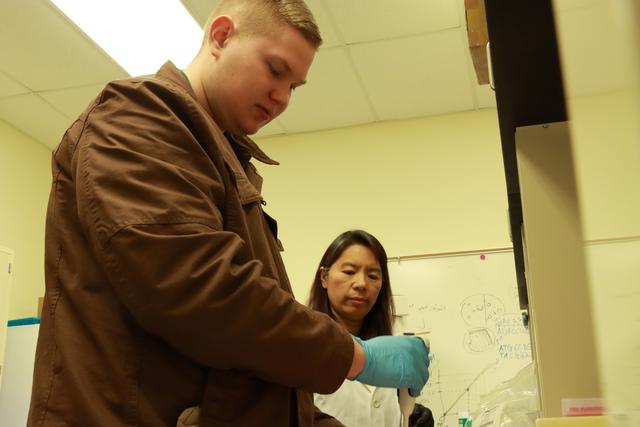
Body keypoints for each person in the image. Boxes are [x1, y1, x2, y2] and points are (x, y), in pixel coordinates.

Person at [27, 1, 429, 426]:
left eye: (294, 86)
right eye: (275, 70)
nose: (281, 99)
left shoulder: (224, 159)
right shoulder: (136, 117)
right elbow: (200, 289)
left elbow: (248, 374)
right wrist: (355, 356)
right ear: (220, 37)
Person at [308, 230, 431, 427]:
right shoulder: (305, 346)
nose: (361, 284)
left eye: (373, 275)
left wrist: (412, 416)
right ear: (324, 277)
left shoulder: (392, 353)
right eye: (349, 272)